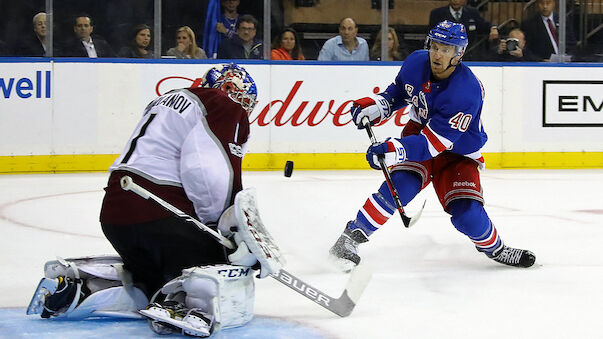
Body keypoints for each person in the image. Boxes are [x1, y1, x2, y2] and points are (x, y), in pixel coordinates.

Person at [26, 64, 281, 338]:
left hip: (116, 214)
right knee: (218, 261)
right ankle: (180, 301)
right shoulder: (219, 103)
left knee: (152, 273)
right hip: (159, 211)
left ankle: (89, 285)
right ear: (228, 89)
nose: (245, 110)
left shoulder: (168, 100)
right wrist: (221, 229)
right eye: (243, 102)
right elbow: (208, 173)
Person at [329, 21, 536, 272]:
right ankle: (350, 238)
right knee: (400, 187)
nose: (438, 54)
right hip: (419, 133)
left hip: (458, 152)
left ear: (459, 54)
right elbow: (398, 93)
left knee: (467, 216)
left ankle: (497, 249)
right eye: (435, 46)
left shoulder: (466, 91)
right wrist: (376, 106)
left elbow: (432, 145)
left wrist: (393, 149)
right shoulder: (417, 61)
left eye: (446, 49)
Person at [429, 0, 498, 60]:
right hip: (445, 56)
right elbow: (432, 35)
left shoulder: (472, 12)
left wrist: (493, 28)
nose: (456, 1)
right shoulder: (437, 14)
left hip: (469, 55)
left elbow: (484, 25)